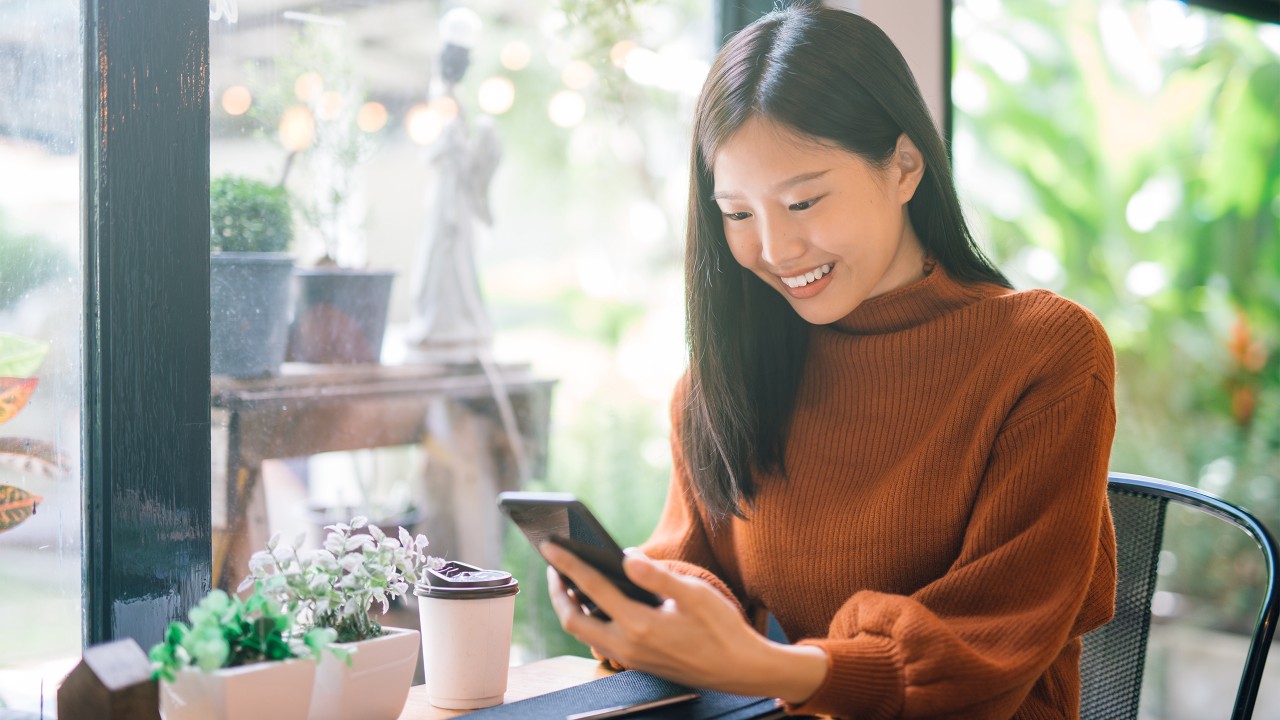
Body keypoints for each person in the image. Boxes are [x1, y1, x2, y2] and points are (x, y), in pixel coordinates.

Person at [541, 5, 1116, 719]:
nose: (777, 250)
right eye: (740, 214)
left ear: (904, 167)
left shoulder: (1045, 351)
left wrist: (770, 666)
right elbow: (694, 561)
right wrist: (641, 604)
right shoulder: (725, 379)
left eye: (804, 200)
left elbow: (985, 651)